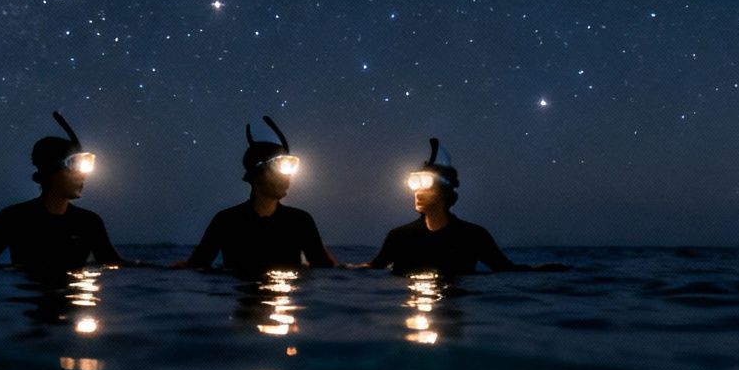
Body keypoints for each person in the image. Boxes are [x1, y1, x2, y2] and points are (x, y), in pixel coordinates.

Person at [0, 111, 125, 271]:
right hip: (29, 307)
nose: (83, 177)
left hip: (77, 309)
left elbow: (117, 264)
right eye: (74, 169)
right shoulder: (14, 218)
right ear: (51, 172)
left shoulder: (89, 223)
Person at [176, 116, 338, 273]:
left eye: (288, 171)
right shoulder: (226, 221)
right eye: (278, 170)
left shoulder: (300, 221)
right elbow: (195, 266)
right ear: (256, 176)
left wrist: (361, 269)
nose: (286, 178)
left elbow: (326, 267)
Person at [365, 139, 532, 275]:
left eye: (427, 186)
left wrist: (553, 269)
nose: (418, 193)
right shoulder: (399, 237)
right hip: (407, 311)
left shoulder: (472, 236)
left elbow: (507, 269)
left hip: (451, 307)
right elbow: (370, 270)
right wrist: (339, 268)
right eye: (415, 186)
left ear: (444, 193)